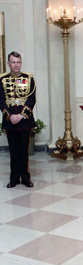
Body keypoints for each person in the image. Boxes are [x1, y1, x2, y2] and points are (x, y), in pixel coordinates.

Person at [0, 51, 36, 188]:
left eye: (18, 62)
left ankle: (26, 178)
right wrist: (10, 116)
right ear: (9, 63)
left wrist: (21, 115)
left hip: (24, 120)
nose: (16, 65)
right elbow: (1, 100)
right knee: (13, 151)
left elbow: (31, 99)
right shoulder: (2, 79)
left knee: (24, 151)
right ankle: (14, 179)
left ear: (21, 63)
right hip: (10, 121)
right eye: (13, 62)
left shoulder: (29, 78)